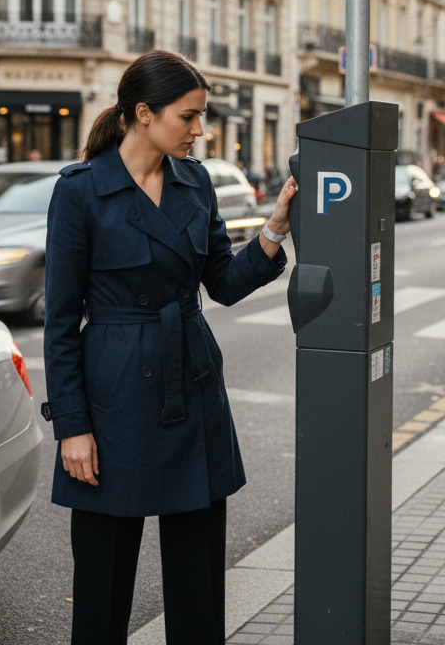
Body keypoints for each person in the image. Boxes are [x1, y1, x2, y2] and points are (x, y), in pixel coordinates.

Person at [40, 50, 298, 645]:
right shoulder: (80, 191)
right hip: (114, 399)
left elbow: (222, 284)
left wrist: (274, 228)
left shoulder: (195, 181)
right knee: (102, 590)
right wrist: (72, 427)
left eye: (201, 116)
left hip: (193, 384)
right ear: (143, 114)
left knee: (199, 587)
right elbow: (60, 322)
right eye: (188, 116)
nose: (199, 130)